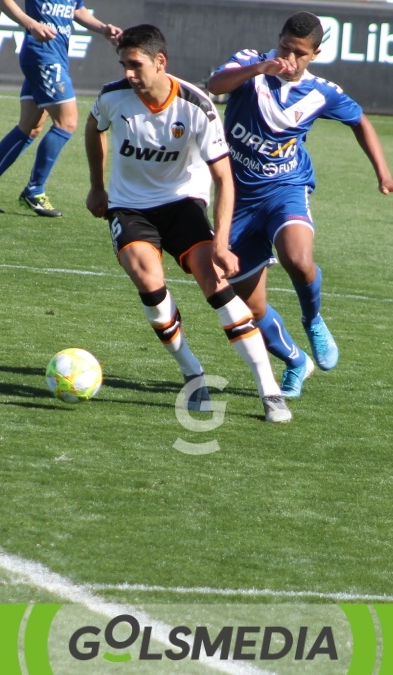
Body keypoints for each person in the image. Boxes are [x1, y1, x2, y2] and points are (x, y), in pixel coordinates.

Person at [84, 24, 291, 423]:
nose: (128, 73)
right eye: (124, 64)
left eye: (135, 65)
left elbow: (224, 179)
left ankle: (269, 390)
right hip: (130, 208)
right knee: (148, 280)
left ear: (160, 63)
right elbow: (94, 128)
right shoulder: (113, 97)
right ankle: (192, 374)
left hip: (183, 204)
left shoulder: (197, 106)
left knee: (214, 283)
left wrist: (223, 243)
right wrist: (96, 187)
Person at [207, 11, 393, 398]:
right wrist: (258, 68)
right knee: (250, 310)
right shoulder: (249, 62)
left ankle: (313, 319)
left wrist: (383, 175)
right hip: (235, 199)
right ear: (279, 38)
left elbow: (360, 121)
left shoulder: (323, 92)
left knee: (299, 259)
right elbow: (215, 84)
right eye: (286, 47)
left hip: (286, 187)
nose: (290, 58)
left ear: (315, 53)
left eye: (300, 53)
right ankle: (296, 362)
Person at [0, 1, 122, 217]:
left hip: (54, 56)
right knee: (67, 123)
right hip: (43, 56)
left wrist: (102, 28)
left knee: (30, 126)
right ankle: (34, 190)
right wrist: (31, 24)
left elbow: (76, 9)